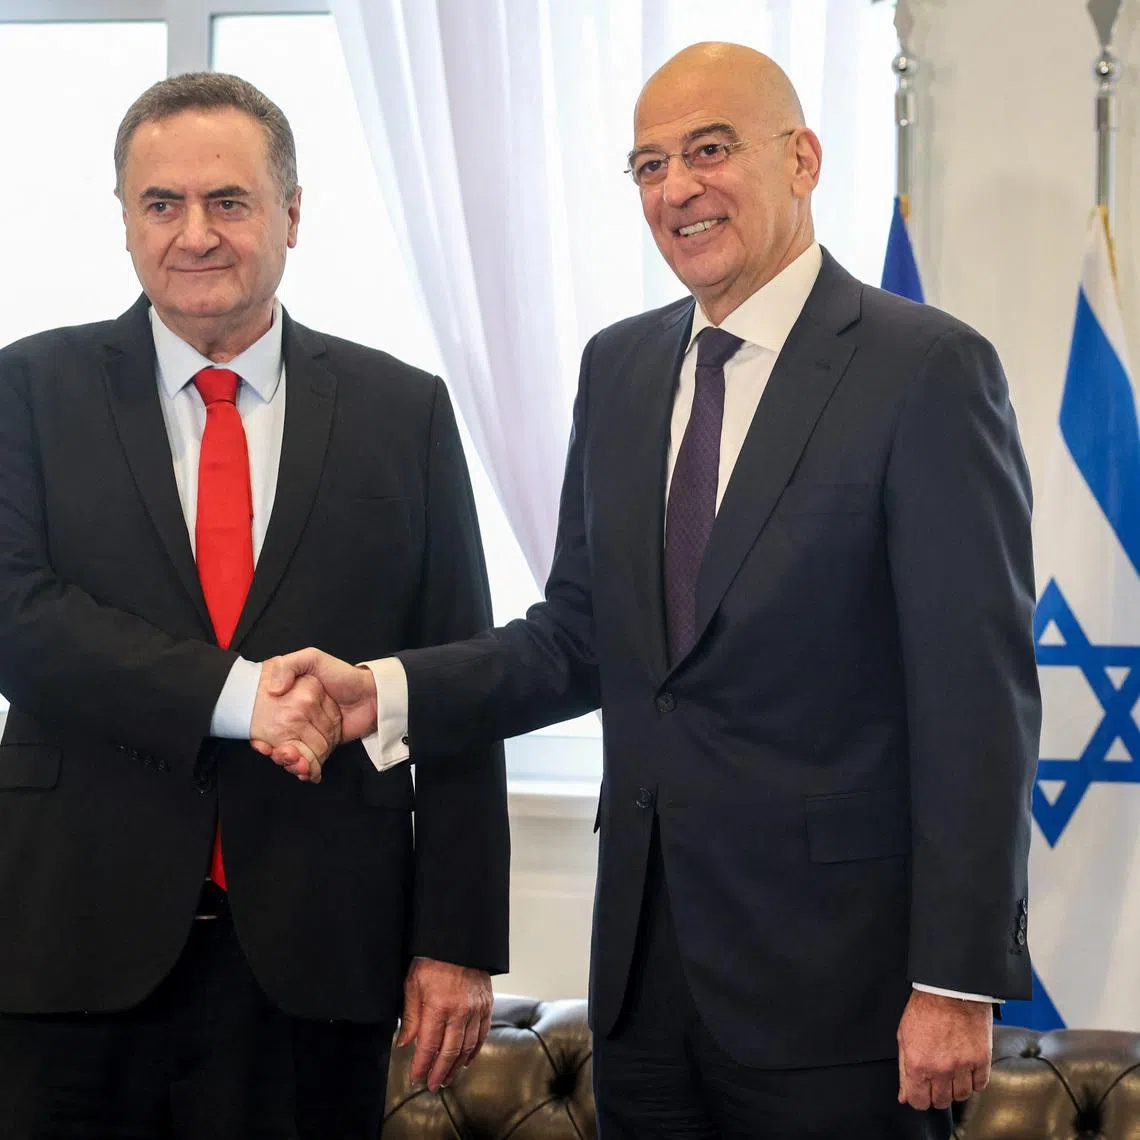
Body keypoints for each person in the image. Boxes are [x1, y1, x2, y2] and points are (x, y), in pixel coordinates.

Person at [268, 43, 1039, 1139]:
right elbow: (579, 636)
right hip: (646, 984)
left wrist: (957, 979)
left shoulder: (925, 370)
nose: (677, 188)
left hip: (843, 993)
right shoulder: (619, 368)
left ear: (804, 159)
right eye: (647, 164)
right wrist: (380, 694)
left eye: (709, 151)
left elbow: (977, 701)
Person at [0, 72, 509, 1140]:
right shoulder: (28, 391)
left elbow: (460, 681)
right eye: (161, 204)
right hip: (71, 940)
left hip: (319, 953)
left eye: (229, 201)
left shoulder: (400, 412)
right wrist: (240, 698)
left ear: (290, 214)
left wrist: (457, 936)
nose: (196, 234)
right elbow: (17, 618)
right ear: (126, 224)